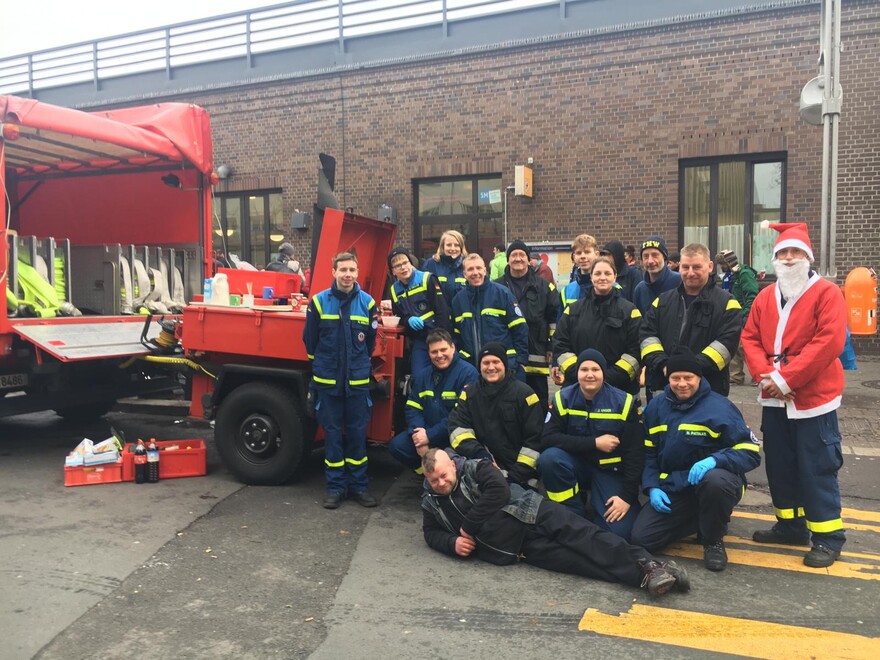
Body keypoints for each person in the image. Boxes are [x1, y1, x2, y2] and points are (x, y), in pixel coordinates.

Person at [420, 448, 690, 597]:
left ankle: (650, 564)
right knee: (582, 564)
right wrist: (452, 542)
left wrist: (467, 527)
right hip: (519, 548)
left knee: (589, 539)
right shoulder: (431, 501)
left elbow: (499, 492)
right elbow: (430, 533)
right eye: (435, 481)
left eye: (444, 475)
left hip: (533, 512)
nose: (441, 483)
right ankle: (654, 576)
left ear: (452, 466)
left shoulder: (474, 467)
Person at [742, 222, 847, 568]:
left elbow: (828, 343)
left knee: (818, 467)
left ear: (808, 257)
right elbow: (750, 338)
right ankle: (790, 526)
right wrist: (766, 378)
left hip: (813, 400)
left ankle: (828, 538)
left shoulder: (827, 293)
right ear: (774, 260)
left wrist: (785, 380)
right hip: (773, 397)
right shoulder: (764, 296)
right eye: (782, 253)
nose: (788, 259)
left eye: (795, 252)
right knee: (781, 466)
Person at [629, 347, 762, 571]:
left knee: (715, 482)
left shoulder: (721, 408)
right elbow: (649, 453)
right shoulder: (656, 408)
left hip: (714, 483)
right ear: (667, 378)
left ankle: (712, 538)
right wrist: (652, 487)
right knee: (642, 539)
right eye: (675, 378)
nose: (682, 383)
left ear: (699, 378)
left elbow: (750, 451)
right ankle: (703, 517)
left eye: (688, 377)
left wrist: (716, 460)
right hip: (675, 486)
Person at [539, 349, 643, 540]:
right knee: (549, 459)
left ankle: (595, 514)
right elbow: (547, 438)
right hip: (576, 466)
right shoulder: (563, 398)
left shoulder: (624, 402)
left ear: (603, 373)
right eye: (584, 369)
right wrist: (594, 443)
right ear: (577, 373)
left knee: (621, 532)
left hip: (610, 471)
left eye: (595, 369)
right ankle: (571, 511)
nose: (589, 374)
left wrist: (627, 497)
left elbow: (635, 453)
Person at [303, 252, 379, 509]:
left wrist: (356, 366)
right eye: (343, 269)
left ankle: (359, 487)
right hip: (328, 383)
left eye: (352, 270)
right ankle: (335, 488)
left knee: (358, 437)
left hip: (357, 384)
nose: (348, 274)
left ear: (357, 273)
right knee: (332, 437)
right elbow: (310, 341)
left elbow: (369, 343)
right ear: (333, 271)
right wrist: (324, 366)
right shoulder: (318, 303)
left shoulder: (368, 304)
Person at [639, 243, 742, 397]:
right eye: (686, 267)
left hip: (709, 391)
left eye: (697, 267)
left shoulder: (728, 303)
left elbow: (726, 347)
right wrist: (663, 364)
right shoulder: (662, 301)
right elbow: (647, 337)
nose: (690, 273)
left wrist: (688, 369)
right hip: (664, 387)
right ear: (679, 267)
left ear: (710, 266)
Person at [446, 342, 544, 485]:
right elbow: (457, 430)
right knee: (445, 455)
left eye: (496, 362)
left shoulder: (525, 394)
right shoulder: (469, 394)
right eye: (486, 363)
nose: (491, 367)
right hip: (481, 466)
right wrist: (482, 456)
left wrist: (515, 476)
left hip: (520, 473)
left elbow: (535, 440)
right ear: (480, 366)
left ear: (504, 364)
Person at [388, 329, 479, 472]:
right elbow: (412, 407)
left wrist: (429, 436)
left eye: (443, 350)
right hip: (427, 432)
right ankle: (428, 474)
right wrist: (418, 436)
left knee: (462, 456)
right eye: (434, 352)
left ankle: (451, 476)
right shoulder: (423, 375)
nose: (439, 355)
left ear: (453, 348)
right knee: (397, 446)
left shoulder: (468, 374)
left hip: (453, 436)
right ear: (428, 353)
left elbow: (460, 416)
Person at [552, 256, 641, 396]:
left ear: (615, 276)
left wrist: (607, 377)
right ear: (591, 277)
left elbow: (635, 350)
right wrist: (582, 374)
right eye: (597, 273)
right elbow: (560, 344)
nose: (602, 278)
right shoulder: (573, 310)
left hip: (620, 389)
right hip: (578, 387)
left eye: (607, 273)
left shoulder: (630, 311)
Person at [496, 240, 561, 411]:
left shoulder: (545, 286)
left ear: (528, 259)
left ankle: (539, 434)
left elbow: (554, 318)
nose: (518, 259)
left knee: (537, 400)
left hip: (537, 351)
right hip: (507, 351)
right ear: (508, 259)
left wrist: (550, 346)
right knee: (507, 399)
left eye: (521, 255)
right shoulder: (497, 286)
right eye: (514, 255)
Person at [451, 253, 529, 376]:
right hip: (471, 369)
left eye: (478, 268)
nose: (475, 273)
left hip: (505, 367)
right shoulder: (458, 301)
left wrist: (520, 362)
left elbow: (520, 328)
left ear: (485, 270)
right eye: (470, 269)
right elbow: (455, 337)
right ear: (464, 274)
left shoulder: (502, 294)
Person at [388, 246, 450, 375]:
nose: (403, 267)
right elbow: (399, 316)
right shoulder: (394, 290)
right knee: (419, 376)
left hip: (438, 334)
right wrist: (408, 320)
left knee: (444, 373)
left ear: (411, 263)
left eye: (405, 263)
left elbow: (442, 311)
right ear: (393, 272)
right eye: (397, 265)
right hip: (419, 340)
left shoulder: (427, 279)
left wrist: (440, 337)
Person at [715, 250, 759, 386]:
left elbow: (752, 294)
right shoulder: (729, 277)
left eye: (722, 263)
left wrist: (747, 314)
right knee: (733, 344)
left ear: (729, 263)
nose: (721, 267)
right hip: (731, 315)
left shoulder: (744, 274)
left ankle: (757, 375)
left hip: (744, 315)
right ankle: (736, 376)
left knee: (745, 346)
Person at [632, 236, 681, 316]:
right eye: (646, 256)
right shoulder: (639, 290)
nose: (650, 261)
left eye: (655, 255)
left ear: (664, 257)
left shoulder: (679, 281)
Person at [423, 230, 468, 312]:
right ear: (442, 246)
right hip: (439, 318)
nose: (453, 248)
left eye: (457, 245)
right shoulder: (431, 264)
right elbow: (422, 293)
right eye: (449, 245)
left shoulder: (468, 265)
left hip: (462, 317)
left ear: (461, 247)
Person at [560, 233, 600, 312]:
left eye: (587, 252)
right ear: (574, 257)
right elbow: (562, 322)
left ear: (597, 255)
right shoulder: (566, 291)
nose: (583, 256)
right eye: (578, 253)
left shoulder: (612, 287)